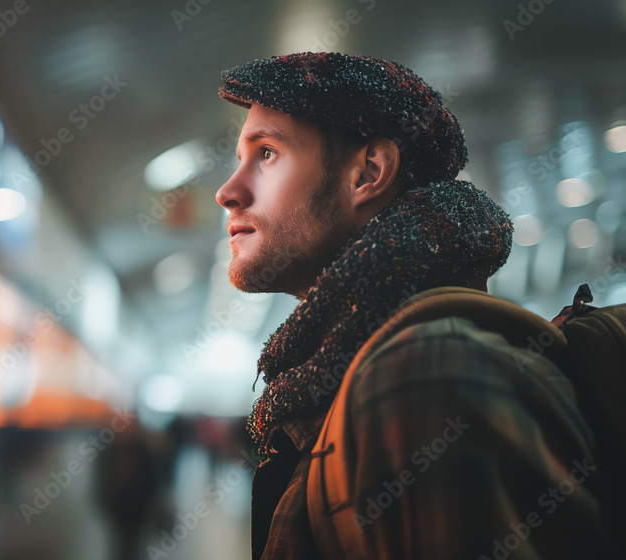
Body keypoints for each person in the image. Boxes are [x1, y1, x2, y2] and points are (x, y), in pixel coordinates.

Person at [213, 52, 613, 559]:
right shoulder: (362, 372)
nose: (228, 191)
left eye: (266, 153)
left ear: (369, 172)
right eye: (239, 158)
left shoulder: (421, 381)